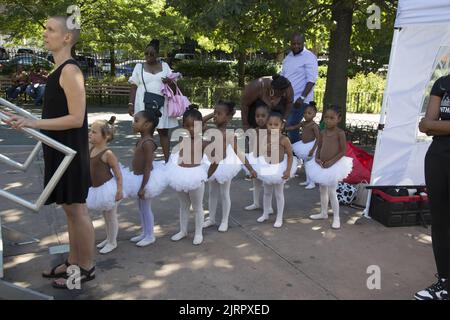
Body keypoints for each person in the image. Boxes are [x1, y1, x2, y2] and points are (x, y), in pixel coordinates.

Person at [5, 16, 95, 289]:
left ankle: (85, 268)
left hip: (70, 151)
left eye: (50, 29)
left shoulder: (70, 71)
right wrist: (23, 116)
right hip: (59, 150)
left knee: (77, 209)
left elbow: (76, 118)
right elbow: (56, 111)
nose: (44, 33)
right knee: (69, 208)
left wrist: (34, 123)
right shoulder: (58, 70)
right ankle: (72, 261)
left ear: (67, 37)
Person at [415, 75, 450, 300]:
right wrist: (435, 126)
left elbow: (431, 124)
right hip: (438, 158)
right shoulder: (443, 83)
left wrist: (435, 126)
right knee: (440, 222)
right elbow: (425, 125)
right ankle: (444, 283)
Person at [202, 101, 256, 232]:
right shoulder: (210, 130)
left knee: (224, 193)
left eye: (219, 114)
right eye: (215, 113)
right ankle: (211, 218)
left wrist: (250, 169)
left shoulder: (230, 135)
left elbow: (239, 153)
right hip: (210, 164)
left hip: (224, 165)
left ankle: (225, 220)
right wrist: (212, 114)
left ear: (228, 117)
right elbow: (199, 123)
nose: (215, 116)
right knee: (212, 192)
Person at [166, 105, 213, 245]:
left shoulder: (204, 143)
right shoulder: (182, 139)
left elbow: (216, 160)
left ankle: (198, 233)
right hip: (180, 174)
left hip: (196, 175)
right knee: (183, 205)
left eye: (194, 126)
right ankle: (183, 230)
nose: (191, 129)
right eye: (187, 126)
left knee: (198, 206)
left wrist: (207, 174)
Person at [123, 109, 168, 247]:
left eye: (136, 121)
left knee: (146, 208)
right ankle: (144, 232)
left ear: (147, 124)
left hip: (146, 180)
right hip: (138, 178)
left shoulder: (148, 143)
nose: (133, 123)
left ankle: (150, 235)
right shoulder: (141, 140)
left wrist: (143, 187)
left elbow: (148, 166)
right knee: (141, 208)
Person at [128, 40, 177, 162]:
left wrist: (169, 82)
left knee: (163, 132)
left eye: (152, 54)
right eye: (146, 53)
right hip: (143, 103)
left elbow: (174, 86)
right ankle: (144, 161)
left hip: (161, 103)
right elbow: (133, 86)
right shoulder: (139, 67)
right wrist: (131, 104)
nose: (148, 56)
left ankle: (167, 161)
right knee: (145, 133)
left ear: (157, 54)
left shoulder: (165, 66)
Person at [305, 106, 353, 229]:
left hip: (334, 165)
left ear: (338, 119)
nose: (328, 120)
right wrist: (316, 158)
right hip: (322, 164)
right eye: (326, 117)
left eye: (332, 118)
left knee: (332, 191)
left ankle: (336, 217)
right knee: (322, 189)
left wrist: (331, 161)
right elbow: (319, 147)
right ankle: (323, 212)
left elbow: (343, 151)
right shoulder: (322, 132)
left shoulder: (340, 133)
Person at [252, 111, 297, 228]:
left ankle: (279, 217)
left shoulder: (284, 139)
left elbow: (290, 156)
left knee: (278, 194)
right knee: (266, 192)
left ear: (281, 126)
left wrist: (287, 170)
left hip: (279, 169)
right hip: (267, 167)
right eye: (270, 124)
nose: (272, 127)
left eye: (275, 125)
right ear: (267, 125)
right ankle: (265, 213)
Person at [86, 116, 123, 254]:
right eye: (90, 131)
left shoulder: (108, 154)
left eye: (94, 132)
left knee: (111, 216)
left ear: (106, 136)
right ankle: (108, 238)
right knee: (105, 216)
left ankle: (113, 242)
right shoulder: (91, 149)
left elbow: (118, 173)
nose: (90, 133)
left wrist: (119, 190)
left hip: (109, 189)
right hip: (97, 189)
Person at [282, 33, 318, 143]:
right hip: (287, 100)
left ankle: (296, 154)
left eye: (299, 43)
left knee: (291, 125)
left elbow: (311, 80)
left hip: (300, 100)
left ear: (303, 43)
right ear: (290, 44)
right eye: (293, 43)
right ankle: (290, 154)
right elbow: (283, 77)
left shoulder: (309, 57)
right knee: (285, 126)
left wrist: (302, 97)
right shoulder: (288, 57)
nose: (296, 46)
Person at [243, 103, 273, 214]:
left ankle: (268, 206)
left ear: (268, 117)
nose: (260, 118)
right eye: (257, 116)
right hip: (256, 160)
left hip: (267, 160)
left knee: (267, 185)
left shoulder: (271, 131)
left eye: (263, 116)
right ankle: (256, 203)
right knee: (256, 183)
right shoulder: (254, 130)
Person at [287, 102, 320, 189]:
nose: (306, 115)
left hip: (311, 147)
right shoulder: (303, 123)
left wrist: (313, 150)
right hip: (303, 145)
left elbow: (318, 138)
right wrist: (284, 128)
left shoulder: (314, 126)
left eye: (309, 113)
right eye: (305, 113)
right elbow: (294, 127)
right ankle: (307, 180)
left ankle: (312, 182)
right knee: (305, 164)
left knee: (310, 165)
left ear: (314, 114)